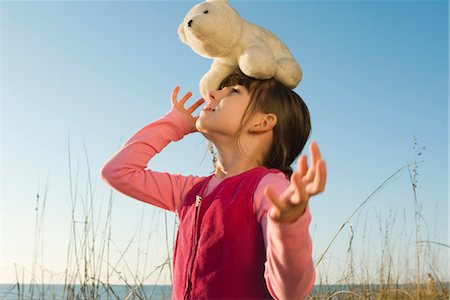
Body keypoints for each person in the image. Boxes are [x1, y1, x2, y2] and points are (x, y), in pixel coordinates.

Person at [101, 71, 327, 299]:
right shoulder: (191, 191)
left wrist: (288, 226)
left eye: (234, 91)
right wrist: (174, 124)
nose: (211, 93)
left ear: (263, 122)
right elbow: (118, 172)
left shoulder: (270, 188)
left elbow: (290, 292)